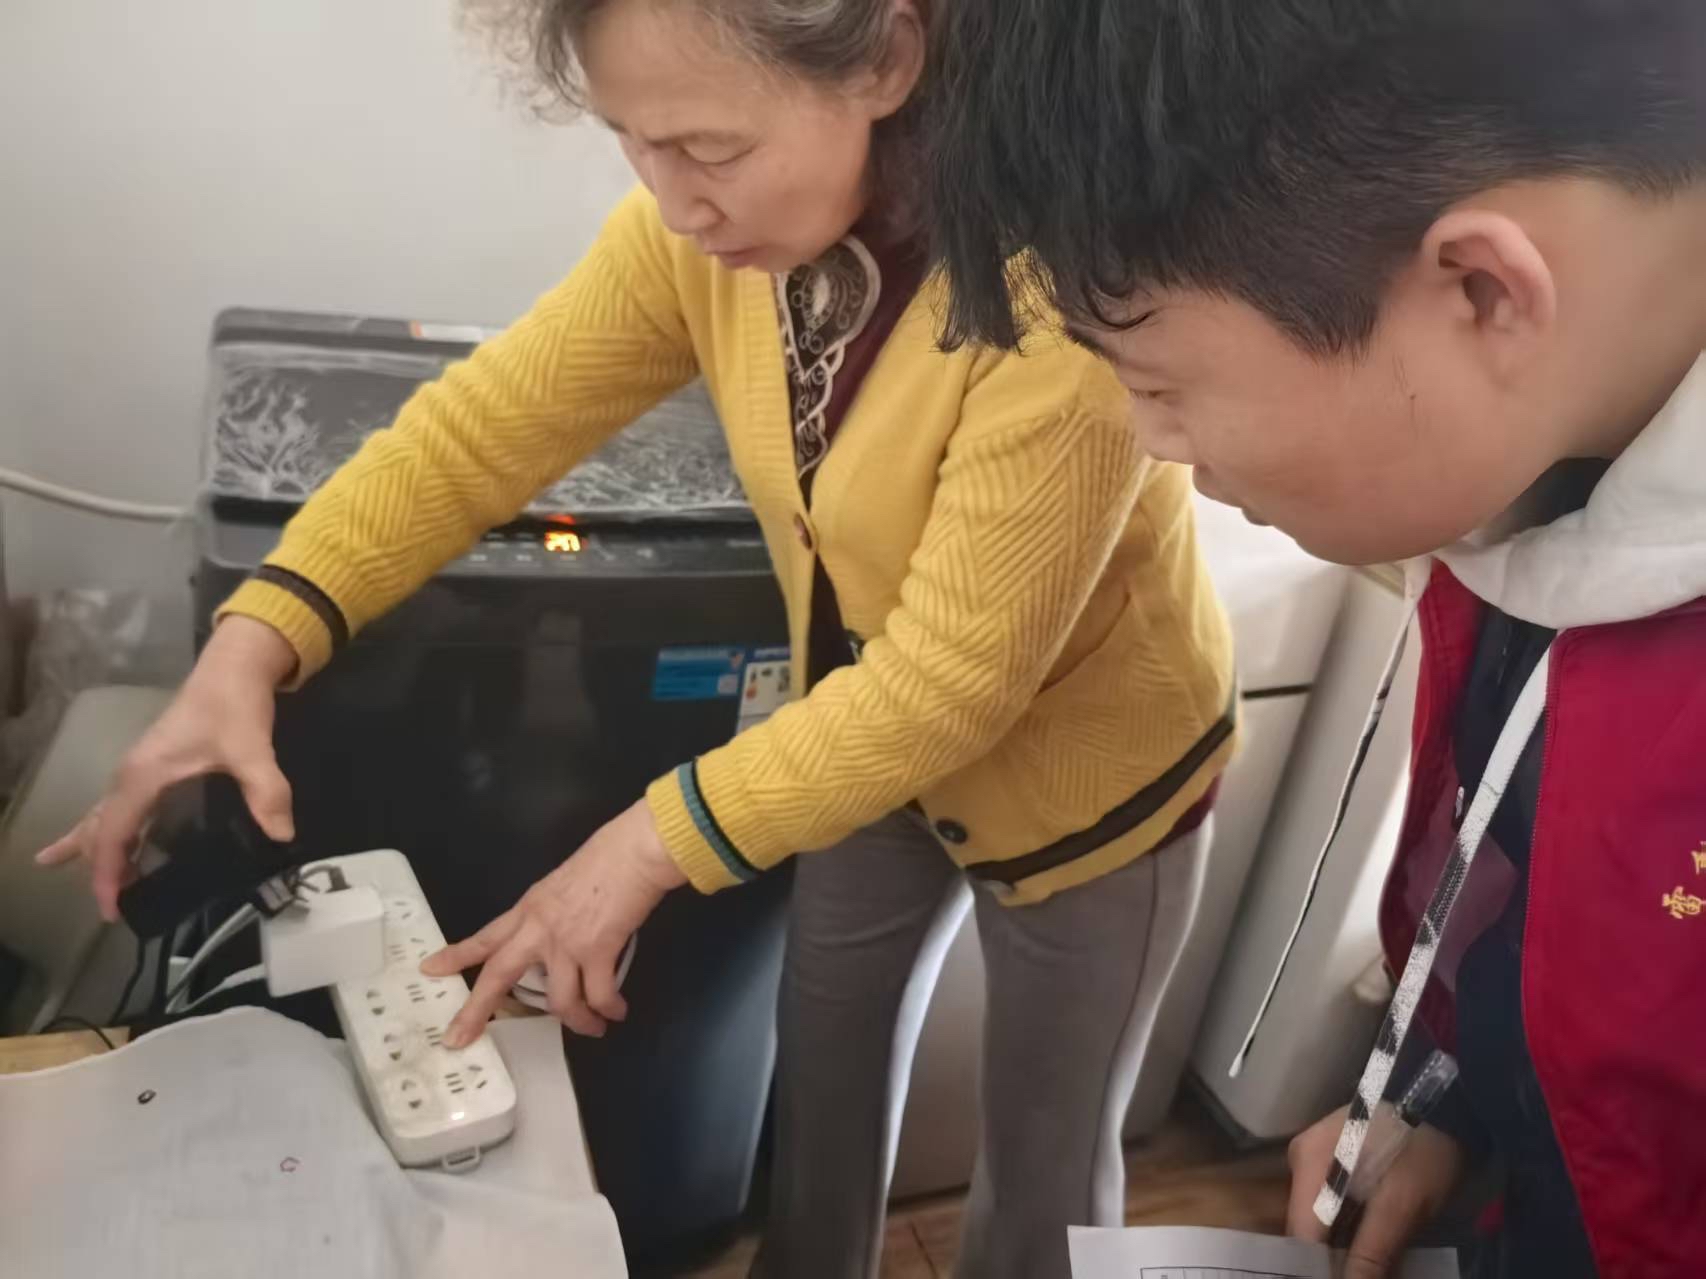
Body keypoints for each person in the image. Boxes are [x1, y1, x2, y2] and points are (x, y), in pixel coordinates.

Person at [38, 1, 1237, 1274]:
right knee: (820, 1087)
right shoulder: (708, 247)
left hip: (1089, 788)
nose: (671, 202)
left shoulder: (1057, 294)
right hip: (857, 748)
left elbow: (949, 685)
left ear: (887, 61)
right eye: (632, 141)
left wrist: (642, 845)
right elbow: (475, 435)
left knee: (1047, 1172)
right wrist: (255, 637)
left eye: (710, 149)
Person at [919, 1, 1706, 1276]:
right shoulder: (1531, 481)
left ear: (1482, 291)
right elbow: (1543, 908)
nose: (1154, 443)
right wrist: (1447, 1106)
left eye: (1160, 384)